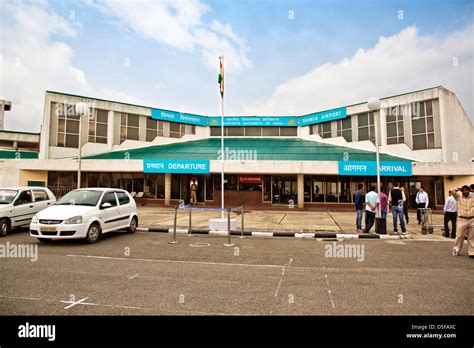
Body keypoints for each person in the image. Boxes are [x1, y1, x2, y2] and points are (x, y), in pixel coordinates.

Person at [452, 185, 473, 257]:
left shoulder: (473, 198)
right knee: (459, 236)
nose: (466, 191)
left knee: (472, 237)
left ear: (469, 191)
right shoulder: (458, 197)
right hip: (462, 219)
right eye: (464, 190)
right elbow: (452, 191)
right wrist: (458, 188)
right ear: (462, 191)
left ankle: (472, 252)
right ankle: (456, 250)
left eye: (467, 190)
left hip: (472, 219)